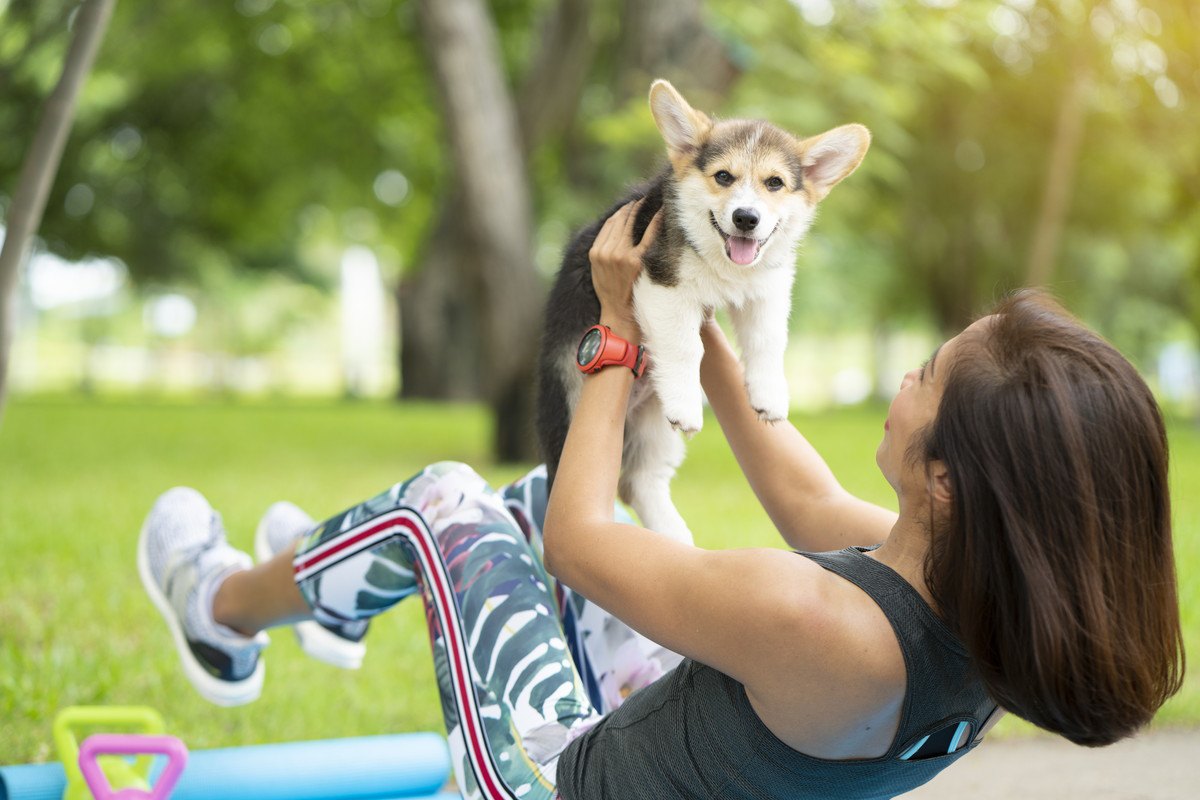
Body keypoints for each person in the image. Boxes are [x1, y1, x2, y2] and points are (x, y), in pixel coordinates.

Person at [138, 201, 1185, 799]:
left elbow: (579, 546)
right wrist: (689, 307)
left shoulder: (821, 623)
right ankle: (332, 581)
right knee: (546, 484)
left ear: (947, 476)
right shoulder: (991, 604)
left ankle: (219, 611)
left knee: (449, 502)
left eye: (926, 375)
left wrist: (613, 333)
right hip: (681, 760)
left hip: (547, 784)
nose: (903, 384)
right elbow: (801, 491)